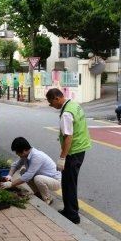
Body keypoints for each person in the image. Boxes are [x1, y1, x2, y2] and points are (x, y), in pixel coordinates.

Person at [46, 88, 91, 224]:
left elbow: (68, 137)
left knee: (69, 184)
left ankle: (72, 215)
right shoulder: (74, 105)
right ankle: (68, 210)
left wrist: (62, 158)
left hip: (73, 151)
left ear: (56, 98)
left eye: (51, 103)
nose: (52, 106)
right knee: (68, 183)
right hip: (81, 148)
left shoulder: (66, 113)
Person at [0, 137, 61, 205]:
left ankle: (48, 198)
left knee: (37, 179)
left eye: (17, 152)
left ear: (24, 150)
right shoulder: (26, 155)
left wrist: (11, 184)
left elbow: (28, 176)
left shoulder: (37, 156)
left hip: (55, 181)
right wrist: (9, 176)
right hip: (44, 178)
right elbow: (15, 165)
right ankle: (38, 193)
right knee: (23, 171)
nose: (17, 154)